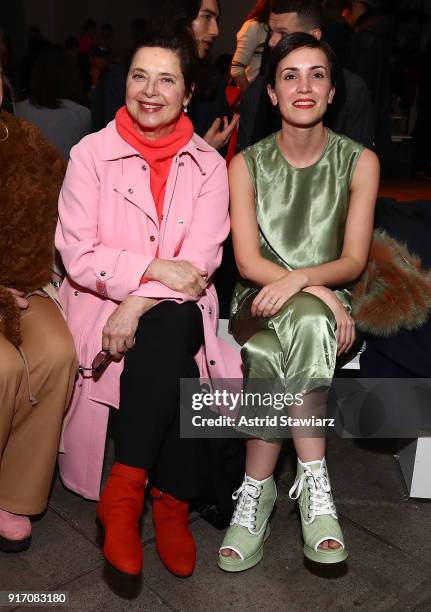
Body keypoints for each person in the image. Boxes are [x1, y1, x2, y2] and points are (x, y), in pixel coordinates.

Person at [56, 35, 242, 578]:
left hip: (160, 307)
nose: (151, 90)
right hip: (98, 305)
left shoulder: (208, 165)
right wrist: (155, 271)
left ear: (187, 94)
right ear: (124, 83)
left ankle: (126, 489)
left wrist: (136, 302)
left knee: (171, 322)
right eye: (140, 76)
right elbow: (78, 255)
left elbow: (201, 261)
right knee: (174, 338)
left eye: (167, 79)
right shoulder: (91, 154)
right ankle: (170, 503)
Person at [218, 33, 379, 571]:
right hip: (258, 300)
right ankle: (316, 484)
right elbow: (246, 263)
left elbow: (353, 260)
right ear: (271, 92)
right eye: (289, 75)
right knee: (309, 316)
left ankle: (256, 491)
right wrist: (314, 291)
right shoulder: (245, 164)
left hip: (324, 299)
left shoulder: (360, 162)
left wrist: (311, 284)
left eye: (316, 75)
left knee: (271, 354)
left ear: (333, 91)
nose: (303, 86)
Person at [0, 58, 77, 553]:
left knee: (57, 352)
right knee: (3, 367)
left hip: (19, 282)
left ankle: (15, 495)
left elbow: (65, 202)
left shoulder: (23, 140)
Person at [91, 0, 238, 152]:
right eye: (207, 16)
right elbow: (107, 151)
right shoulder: (120, 76)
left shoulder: (211, 82)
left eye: (216, 19)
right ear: (180, 17)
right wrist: (199, 151)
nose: (215, 30)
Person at [237, 0, 374, 152]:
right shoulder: (258, 90)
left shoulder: (352, 90)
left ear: (314, 36)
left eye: (283, 33)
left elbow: (359, 160)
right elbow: (246, 158)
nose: (272, 42)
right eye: (271, 31)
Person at [15, 44, 90, 159]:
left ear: (36, 73)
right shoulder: (84, 115)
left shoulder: (19, 110)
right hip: (68, 176)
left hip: (29, 175)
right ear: (70, 74)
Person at [230, 0, 271, 94]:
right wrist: (250, 98)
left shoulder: (279, 29)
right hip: (255, 94)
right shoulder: (254, 26)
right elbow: (236, 70)